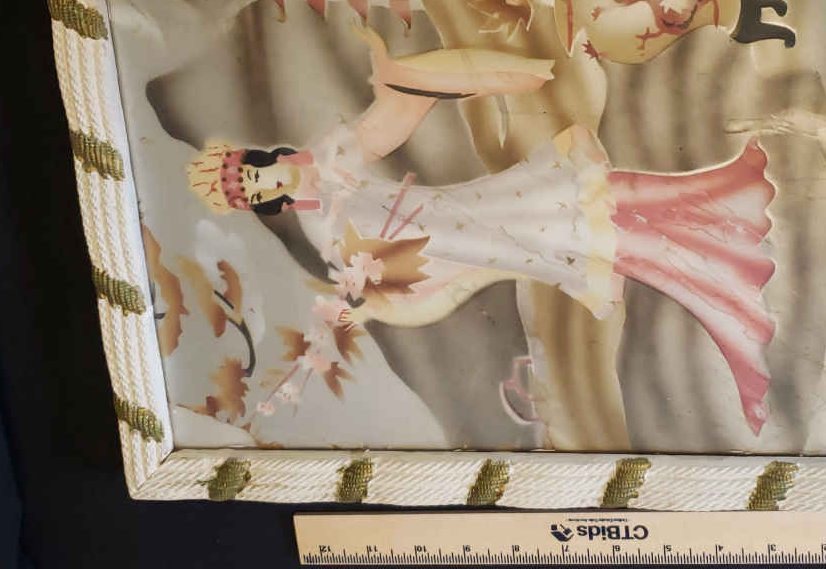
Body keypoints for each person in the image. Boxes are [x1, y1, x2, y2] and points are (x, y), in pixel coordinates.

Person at [188, 25, 779, 433]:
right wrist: (368, 311)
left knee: (600, 205)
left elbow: (390, 122)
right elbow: (408, 291)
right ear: (267, 205)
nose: (268, 183)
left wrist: (402, 79)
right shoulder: (325, 233)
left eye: (257, 173)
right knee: (606, 232)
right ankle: (731, 301)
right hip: (480, 237)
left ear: (263, 160)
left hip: (483, 208)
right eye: (258, 193)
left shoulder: (329, 154)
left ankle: (729, 213)